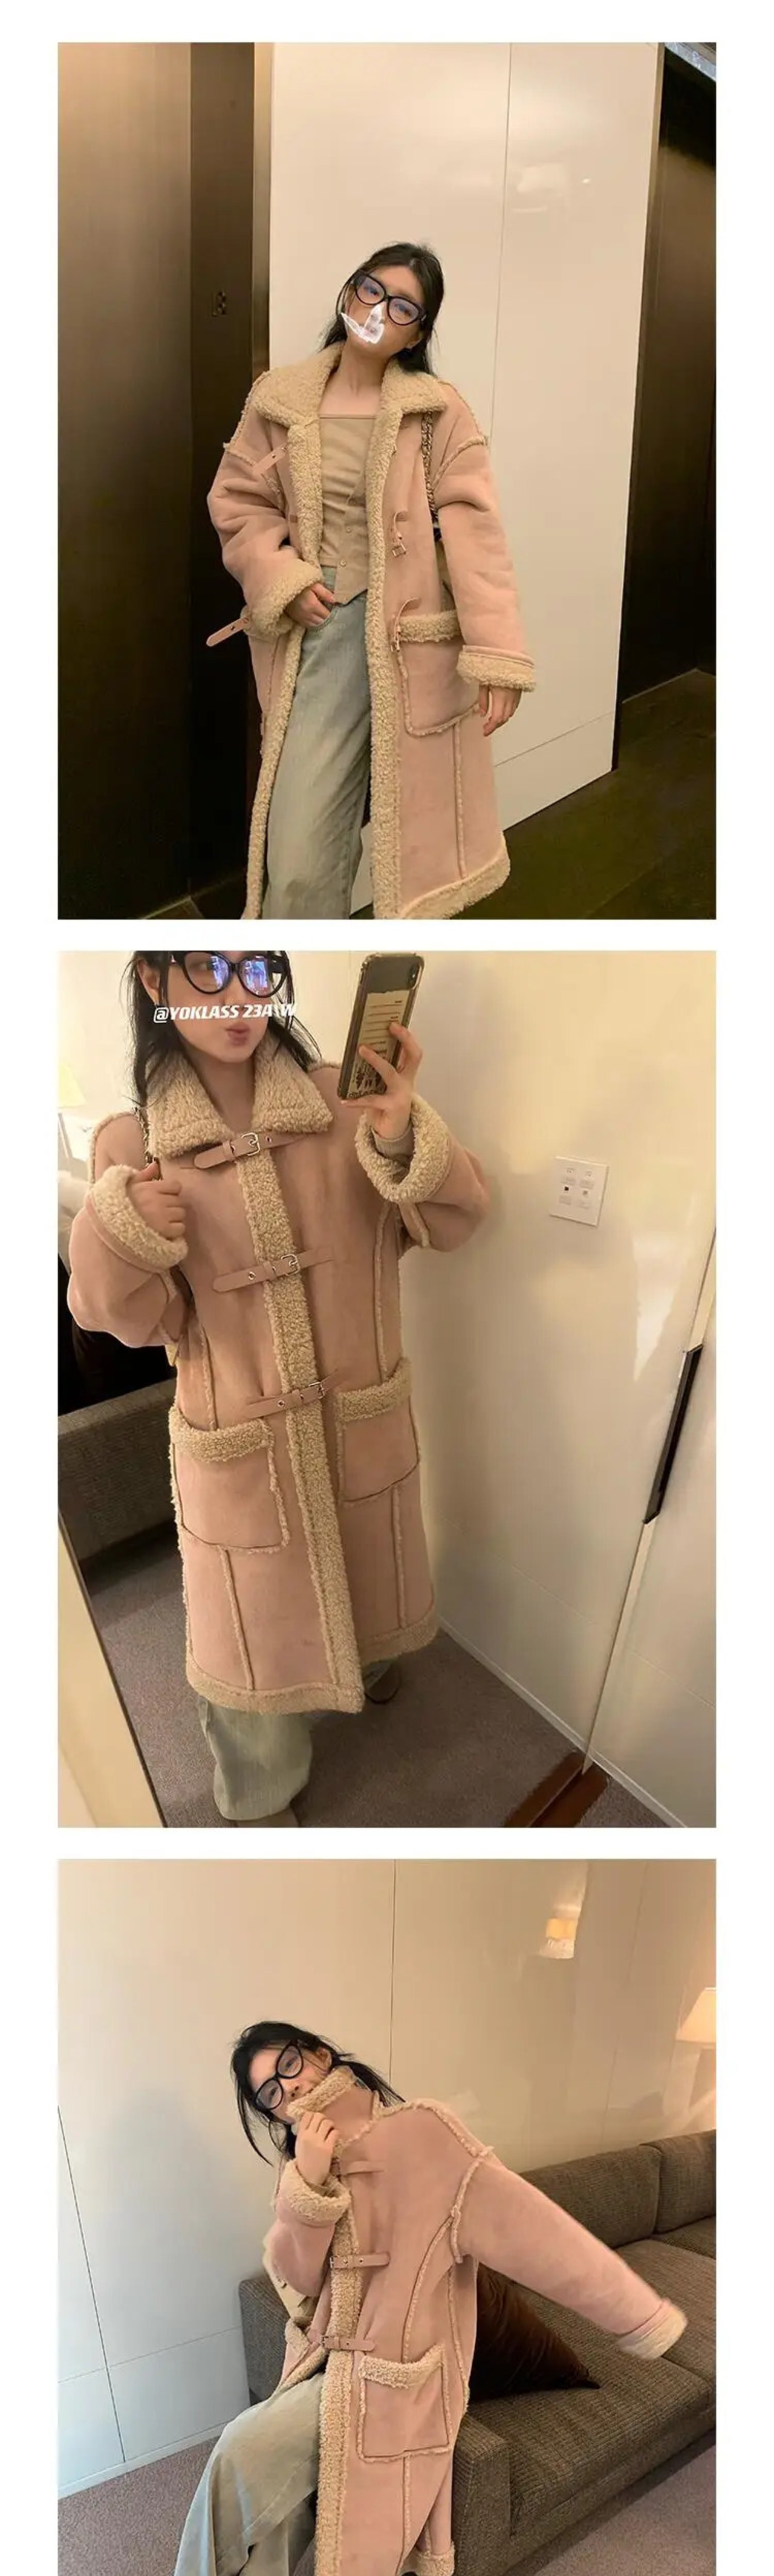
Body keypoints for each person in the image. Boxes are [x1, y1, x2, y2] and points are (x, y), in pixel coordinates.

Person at [100, 2025, 688, 2576]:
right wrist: (306, 2184)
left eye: (288, 2064)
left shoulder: (426, 2136)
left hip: (394, 2383)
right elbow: (296, 2279)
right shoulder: (302, 2165)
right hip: (324, 2363)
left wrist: (639, 2316)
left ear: (320, 2054)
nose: (287, 2088)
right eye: (268, 2093)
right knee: (275, 2516)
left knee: (241, 2447)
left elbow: (541, 2235)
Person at [67, 951, 489, 1824]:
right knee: (249, 1634)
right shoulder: (130, 1143)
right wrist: (125, 1234)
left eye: (259, 973)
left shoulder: (343, 1098)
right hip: (239, 1439)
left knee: (369, 1564)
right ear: (154, 982)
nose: (240, 1000)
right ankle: (258, 1795)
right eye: (210, 972)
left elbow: (455, 1222)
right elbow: (125, 1319)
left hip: (357, 1411)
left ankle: (369, 1659)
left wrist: (399, 1133)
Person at [207, 242, 535, 921]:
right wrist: (281, 577)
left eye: (403, 306)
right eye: (371, 290)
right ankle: (301, 952)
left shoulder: (438, 412)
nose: (379, 311)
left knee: (415, 835)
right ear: (348, 293)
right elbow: (238, 501)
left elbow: (477, 536)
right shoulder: (279, 398)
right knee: (299, 852)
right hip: (319, 632)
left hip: (409, 643)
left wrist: (497, 653)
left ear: (418, 332)